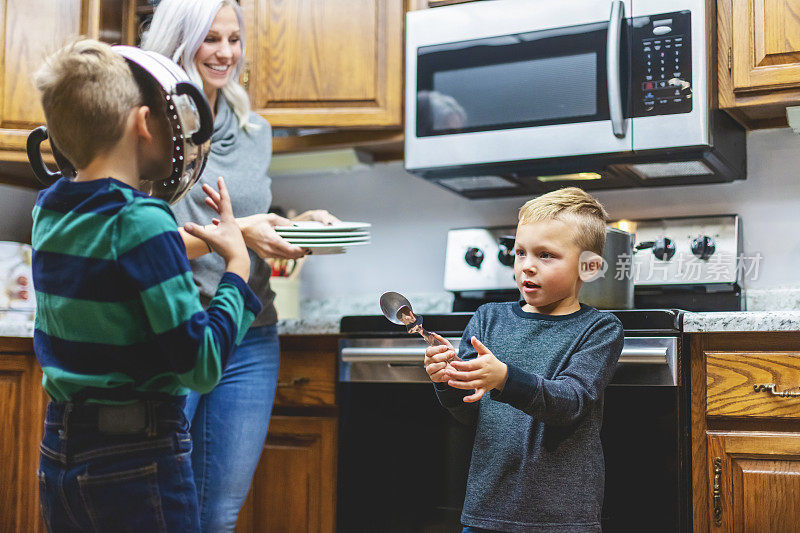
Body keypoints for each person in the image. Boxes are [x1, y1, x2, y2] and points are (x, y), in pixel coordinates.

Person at [31, 39, 260, 531]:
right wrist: (237, 264)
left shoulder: (47, 210)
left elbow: (115, 262)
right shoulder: (144, 221)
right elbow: (201, 367)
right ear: (142, 123)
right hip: (137, 458)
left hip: (60, 450)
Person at [141, 1, 339, 529]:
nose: (225, 52)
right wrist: (239, 234)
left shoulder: (255, 130)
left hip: (250, 332)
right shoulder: (145, 127)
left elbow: (242, 215)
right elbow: (140, 247)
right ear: (181, 40)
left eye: (234, 39)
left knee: (221, 511)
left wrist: (290, 224)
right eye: (210, 38)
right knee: (162, 508)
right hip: (174, 331)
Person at [424, 187, 625, 533]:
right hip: (486, 510)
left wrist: (504, 378)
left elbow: (570, 403)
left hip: (561, 519)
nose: (527, 266)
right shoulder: (488, 319)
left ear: (588, 266)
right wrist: (447, 379)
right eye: (520, 253)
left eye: (546, 255)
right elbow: (467, 412)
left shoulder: (600, 329)